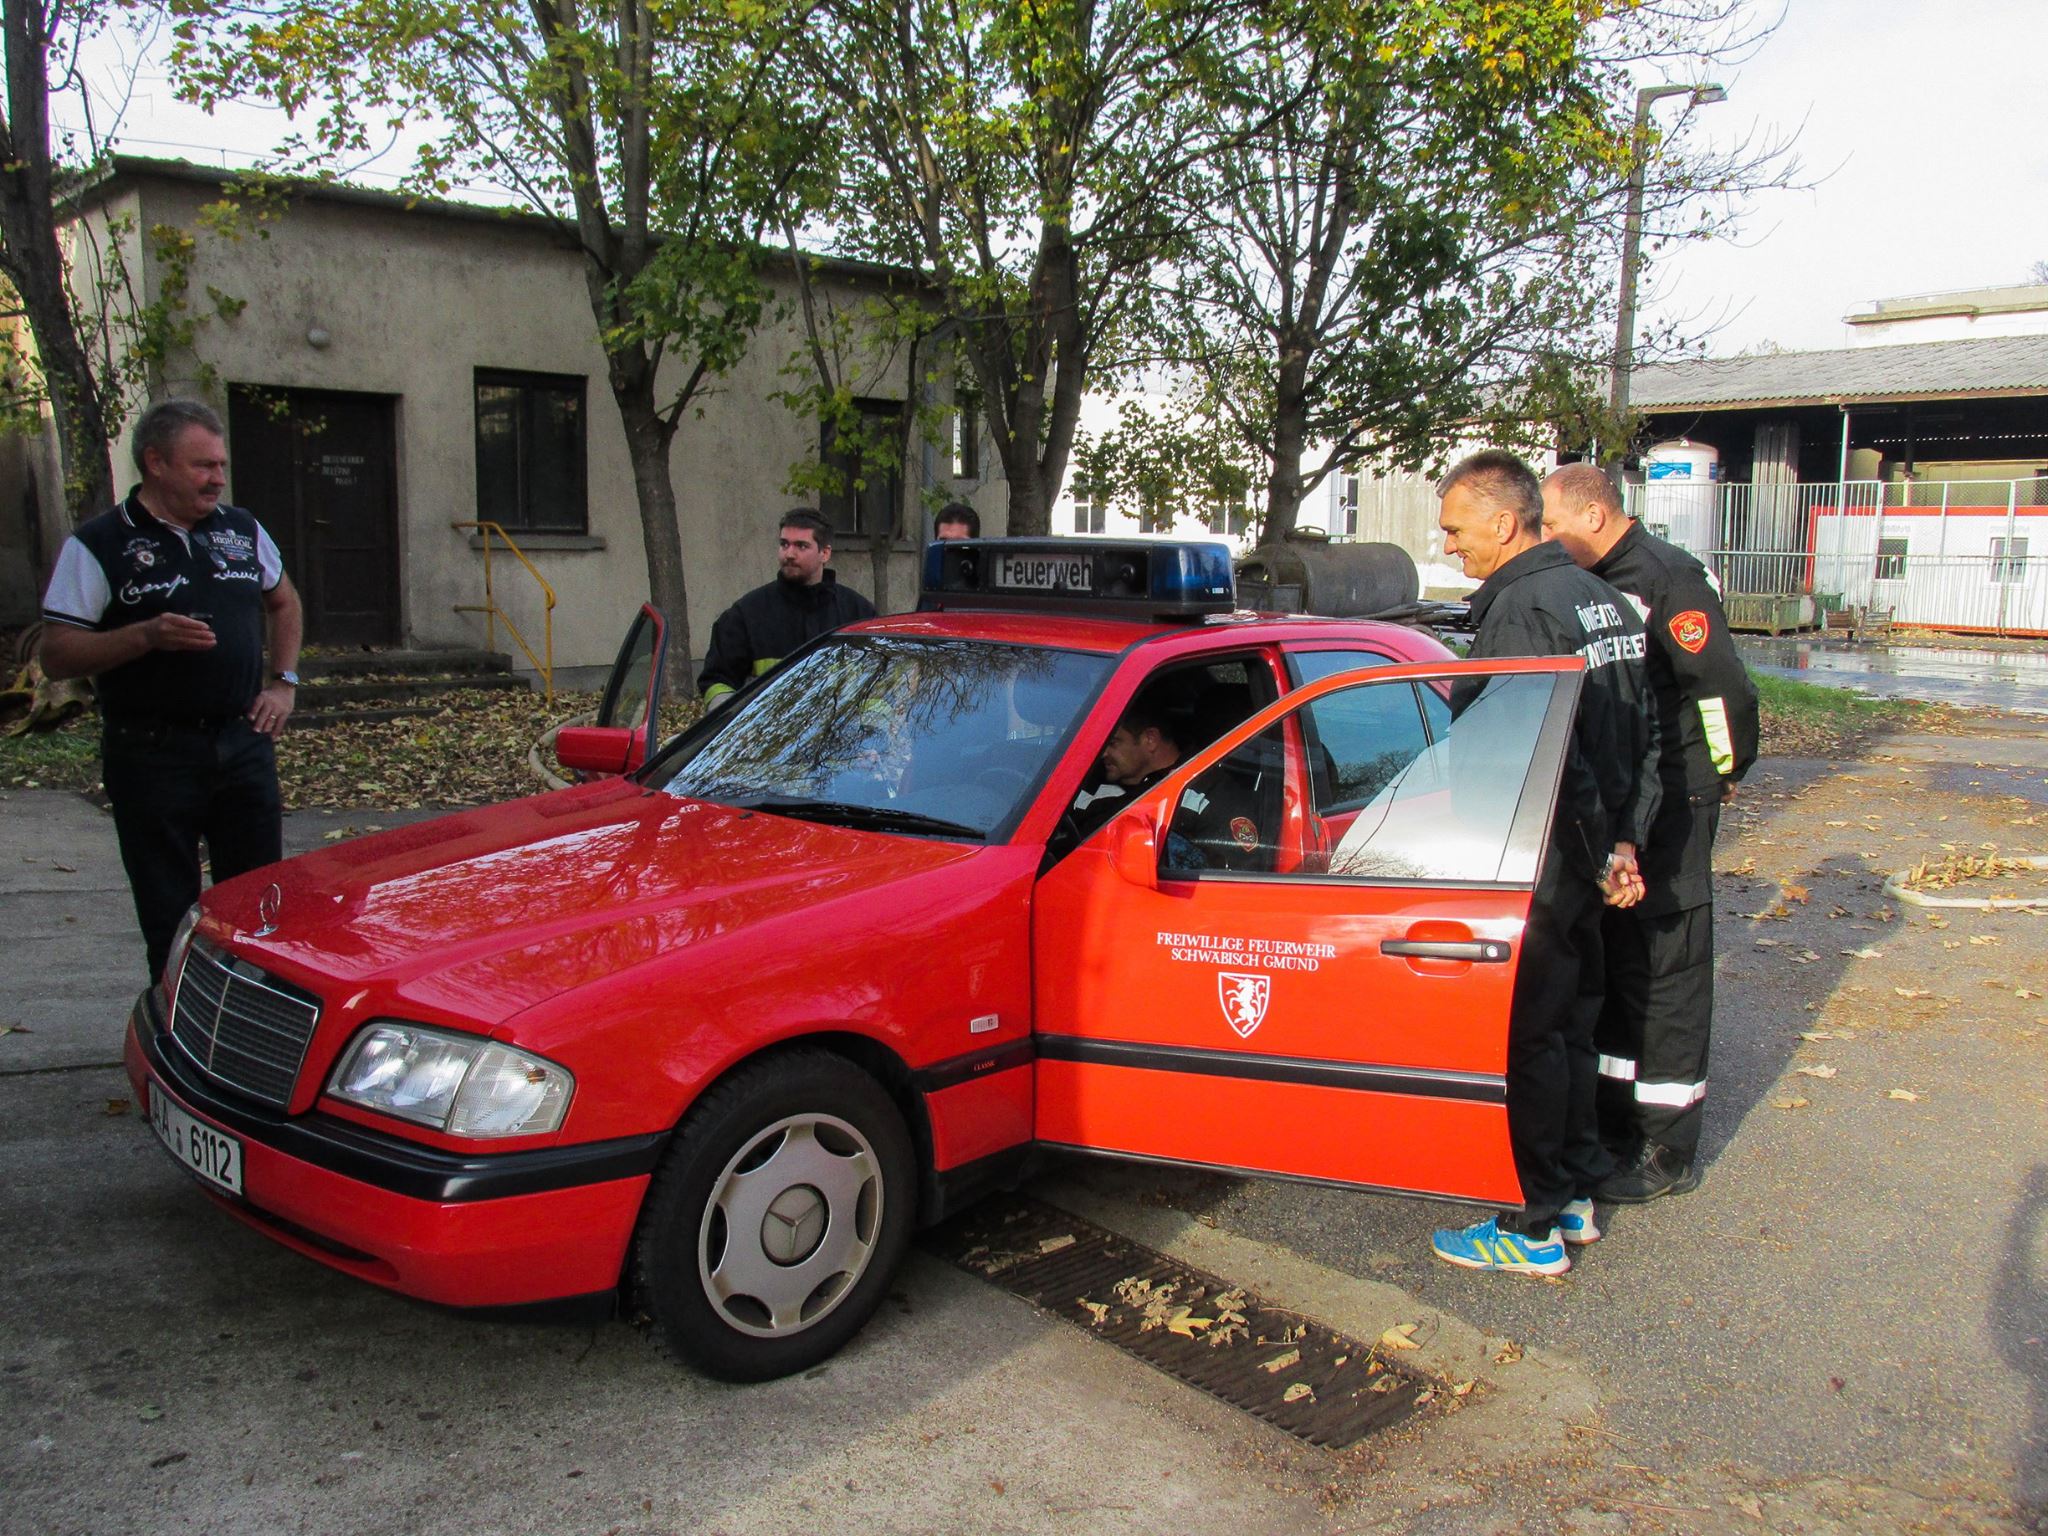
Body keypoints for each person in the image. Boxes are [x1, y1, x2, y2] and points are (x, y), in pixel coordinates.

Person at [1428, 449, 1659, 1276]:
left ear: (1502, 520)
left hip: (1538, 860)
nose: (1451, 545)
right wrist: (1623, 844)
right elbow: (1641, 733)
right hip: (1587, 857)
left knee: (1529, 1039)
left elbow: (1543, 759)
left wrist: (1598, 851)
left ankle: (1527, 1226)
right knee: (1568, 1030)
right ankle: (1575, 1191)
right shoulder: (1600, 599)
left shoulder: (1523, 613)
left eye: (1457, 528)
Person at [1541, 463, 1760, 1202]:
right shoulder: (1596, 583)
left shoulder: (1670, 577)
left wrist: (1720, 774)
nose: (1546, 536)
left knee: (1669, 965)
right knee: (1626, 958)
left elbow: (1720, 690)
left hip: (1678, 797)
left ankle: (1669, 1147)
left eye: (1552, 522)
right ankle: (1618, 1123)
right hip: (1630, 794)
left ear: (1594, 516)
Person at [38, 398, 303, 986]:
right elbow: (55, 652)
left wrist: (282, 684)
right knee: (169, 911)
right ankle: (179, 1030)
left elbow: (284, 602)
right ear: (155, 463)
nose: (217, 478)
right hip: (152, 754)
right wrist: (145, 636)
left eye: (220, 465)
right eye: (202, 465)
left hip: (242, 742)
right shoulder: (98, 545)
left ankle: (256, 1027)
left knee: (259, 906)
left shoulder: (241, 530)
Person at [697, 510, 876, 706]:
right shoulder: (747, 613)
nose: (789, 554)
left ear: (825, 553)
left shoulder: (859, 613)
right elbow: (717, 682)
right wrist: (730, 728)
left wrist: (873, 731)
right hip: (767, 734)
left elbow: (880, 684)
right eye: (784, 544)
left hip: (840, 735)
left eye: (801, 546)